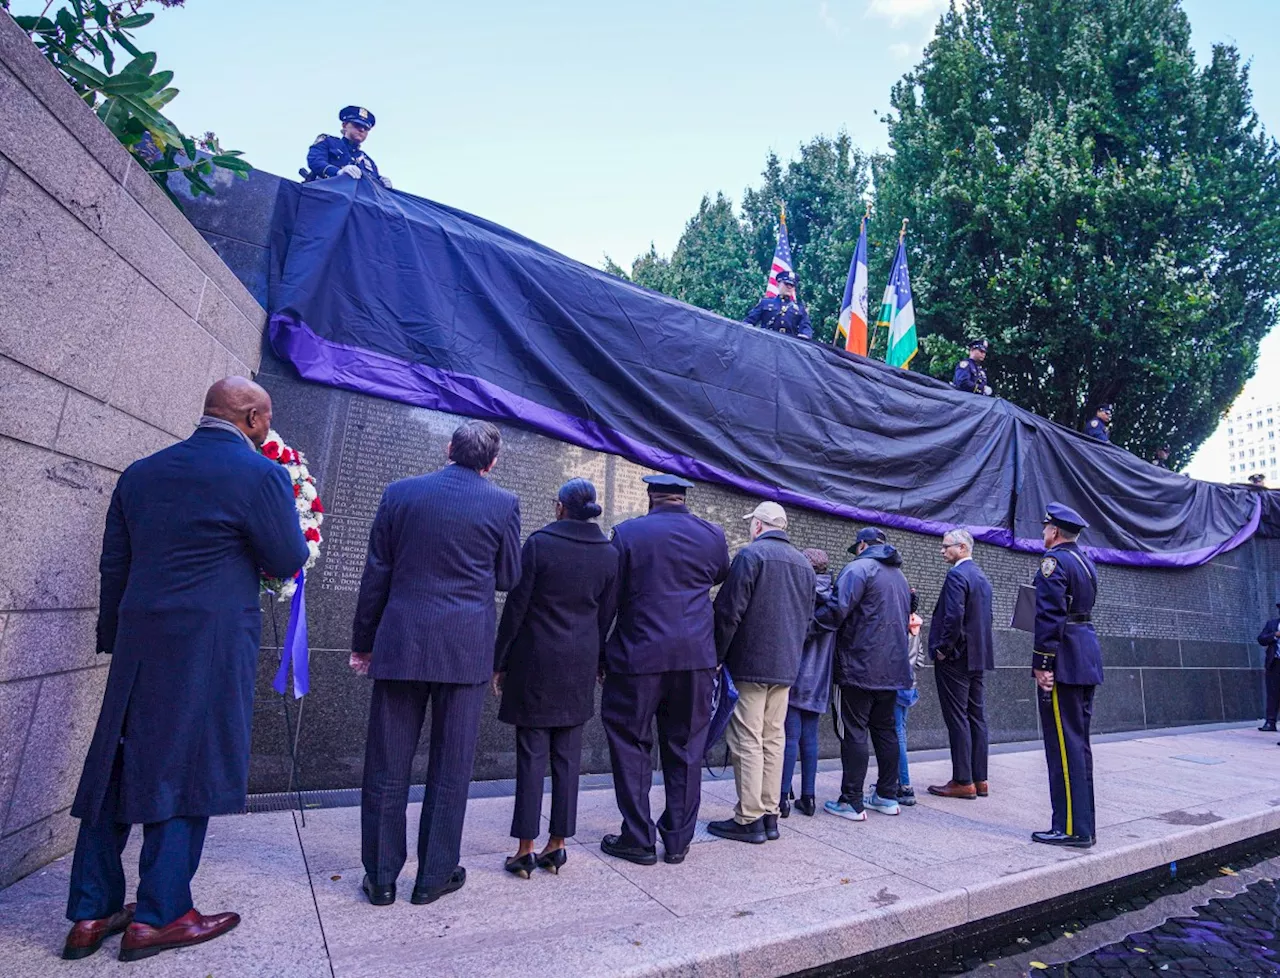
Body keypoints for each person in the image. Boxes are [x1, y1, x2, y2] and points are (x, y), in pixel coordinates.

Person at [63, 378, 309, 962]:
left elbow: (115, 563)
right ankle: (161, 915)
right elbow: (287, 557)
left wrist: (114, 638)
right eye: (266, 419)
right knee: (186, 762)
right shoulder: (259, 475)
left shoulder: (142, 473)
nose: (267, 429)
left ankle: (91, 912)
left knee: (118, 761)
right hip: (210, 643)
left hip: (139, 640)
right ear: (251, 418)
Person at [352, 420, 521, 907]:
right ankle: (434, 877)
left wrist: (365, 641)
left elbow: (376, 574)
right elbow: (509, 576)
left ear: (448, 449)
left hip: (401, 642)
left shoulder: (400, 493)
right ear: (491, 463)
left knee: (386, 763)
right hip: (465, 650)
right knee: (451, 767)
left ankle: (381, 878)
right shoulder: (503, 502)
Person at [600, 473, 730, 866]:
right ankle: (677, 840)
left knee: (630, 744)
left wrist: (599, 654)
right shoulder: (712, 535)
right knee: (687, 748)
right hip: (695, 658)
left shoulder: (627, 534)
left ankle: (638, 839)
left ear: (650, 497)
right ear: (682, 498)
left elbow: (610, 597)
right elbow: (720, 575)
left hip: (638, 655)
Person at [492, 479, 619, 878]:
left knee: (531, 755)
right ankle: (558, 844)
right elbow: (606, 616)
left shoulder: (540, 544)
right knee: (567, 757)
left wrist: (500, 660)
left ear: (561, 507)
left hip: (536, 659)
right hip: (580, 661)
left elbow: (516, 608)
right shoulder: (609, 553)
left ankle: (524, 849)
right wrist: (599, 659)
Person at [708, 502, 815, 844]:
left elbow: (728, 612)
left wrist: (716, 655)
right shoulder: (804, 564)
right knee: (773, 738)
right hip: (786, 667)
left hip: (750, 664)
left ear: (758, 525)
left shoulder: (751, 556)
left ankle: (748, 818)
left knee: (747, 740)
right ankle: (770, 814)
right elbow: (807, 620)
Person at [821, 527, 912, 822]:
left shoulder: (858, 568)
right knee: (885, 730)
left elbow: (836, 610)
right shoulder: (899, 577)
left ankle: (851, 800)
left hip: (857, 666)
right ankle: (887, 795)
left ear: (862, 545)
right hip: (893, 669)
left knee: (854, 730)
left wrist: (807, 625)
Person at [1031, 503, 1104, 849]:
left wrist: (1043, 664)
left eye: (1045, 527)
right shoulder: (1085, 562)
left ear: (1055, 532)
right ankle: (1082, 824)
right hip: (1085, 657)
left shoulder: (1053, 564)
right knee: (1078, 745)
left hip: (1063, 661)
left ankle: (1072, 828)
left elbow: (1049, 617)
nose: (1043, 532)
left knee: (1063, 747)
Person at [926, 528, 995, 800]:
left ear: (962, 548)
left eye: (946, 547)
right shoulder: (981, 577)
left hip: (956, 658)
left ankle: (963, 780)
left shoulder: (957, 575)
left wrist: (942, 649)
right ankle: (981, 779)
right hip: (978, 657)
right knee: (976, 716)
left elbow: (953, 617)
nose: (942, 551)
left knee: (957, 717)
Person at [781, 548, 838, 818]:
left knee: (789, 737)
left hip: (794, 673)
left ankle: (781, 797)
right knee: (810, 739)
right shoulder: (836, 597)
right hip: (820, 677)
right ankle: (809, 797)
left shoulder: (799, 592)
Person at [304, 105, 393, 188]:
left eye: (366, 128)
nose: (361, 129)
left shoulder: (368, 161)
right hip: (325, 194)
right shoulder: (328, 142)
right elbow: (315, 161)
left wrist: (381, 182)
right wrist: (337, 172)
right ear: (344, 125)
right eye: (357, 125)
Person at [894, 592, 928, 807]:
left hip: (895, 686)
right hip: (910, 686)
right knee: (900, 731)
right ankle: (899, 782)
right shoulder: (915, 626)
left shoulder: (897, 625)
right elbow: (921, 661)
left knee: (897, 734)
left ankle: (904, 785)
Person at [742, 270, 813, 339]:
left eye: (792, 285)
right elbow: (748, 322)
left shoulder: (799, 308)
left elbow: (806, 330)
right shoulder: (765, 303)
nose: (789, 287)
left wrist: (804, 336)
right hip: (767, 343)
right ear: (778, 284)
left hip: (789, 347)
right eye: (786, 284)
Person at [1257, 602, 1280, 733]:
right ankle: (1270, 722)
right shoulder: (1271, 624)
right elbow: (1261, 639)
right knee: (1273, 693)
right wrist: (1274, 635)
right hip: (1275, 663)